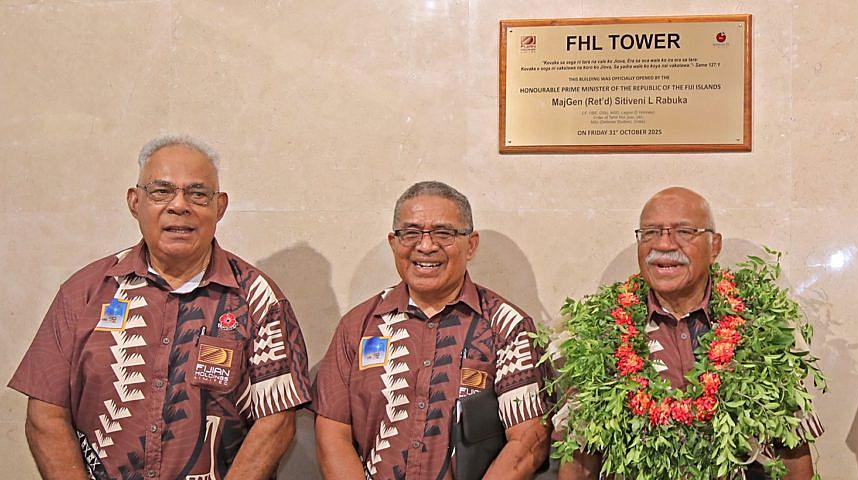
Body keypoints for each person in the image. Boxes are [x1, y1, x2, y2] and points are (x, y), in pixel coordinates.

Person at [10, 135, 312, 479]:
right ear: (135, 201)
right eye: (161, 191)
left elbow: (275, 421)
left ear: (221, 206)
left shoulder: (257, 298)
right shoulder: (85, 292)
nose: (179, 205)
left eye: (198, 194)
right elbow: (46, 413)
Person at [558, 187, 822, 480]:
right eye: (650, 232)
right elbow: (580, 456)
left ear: (715, 246)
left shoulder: (763, 324)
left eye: (684, 231)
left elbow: (793, 451)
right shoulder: (601, 330)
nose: (664, 244)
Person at [312, 181, 550, 480]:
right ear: (393, 243)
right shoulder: (358, 326)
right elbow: (332, 433)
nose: (425, 246)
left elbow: (528, 439)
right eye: (411, 233)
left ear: (471, 244)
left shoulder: (508, 327)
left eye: (444, 233)